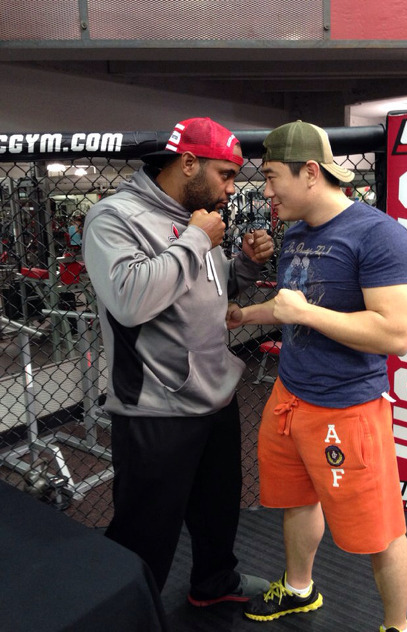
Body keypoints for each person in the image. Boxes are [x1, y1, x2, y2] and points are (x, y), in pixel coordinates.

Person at [226, 120, 407, 632]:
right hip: (290, 396)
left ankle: (397, 626)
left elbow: (395, 334)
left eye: (272, 176)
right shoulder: (296, 234)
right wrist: (245, 316)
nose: (266, 191)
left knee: (380, 532)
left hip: (348, 408)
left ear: (310, 172)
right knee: (295, 500)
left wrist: (307, 314)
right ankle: (299, 590)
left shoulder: (380, 235)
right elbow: (290, 306)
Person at [82, 117, 274, 605]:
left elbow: (211, 289)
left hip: (215, 395)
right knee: (145, 531)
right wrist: (195, 240)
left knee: (217, 512)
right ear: (188, 163)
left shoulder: (198, 218)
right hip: (156, 407)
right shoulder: (115, 217)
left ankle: (214, 583)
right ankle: (127, 613)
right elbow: (129, 300)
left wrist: (246, 264)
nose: (231, 189)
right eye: (225, 175)